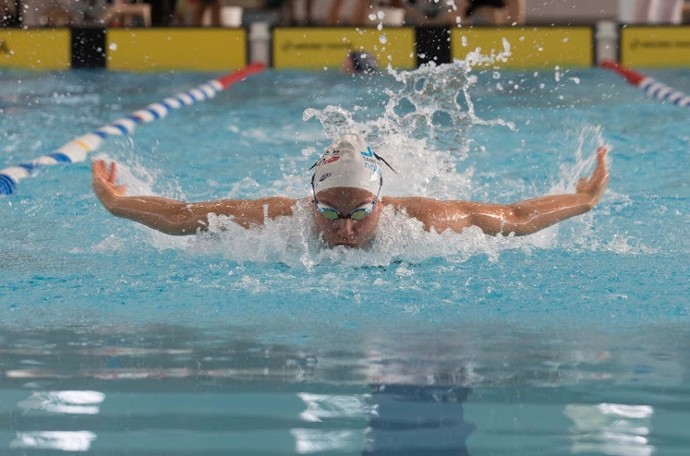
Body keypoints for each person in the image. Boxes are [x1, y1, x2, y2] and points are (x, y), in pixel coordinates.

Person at [92, 133, 609, 249]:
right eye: (329, 211)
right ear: (310, 201)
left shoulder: (426, 220)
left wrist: (583, 200)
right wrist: (118, 204)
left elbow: (515, 218)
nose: (345, 227)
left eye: (360, 211)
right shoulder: (277, 218)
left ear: (382, 202)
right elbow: (185, 216)